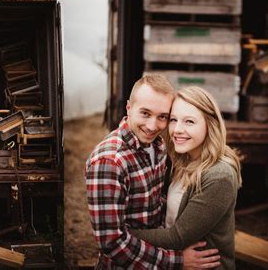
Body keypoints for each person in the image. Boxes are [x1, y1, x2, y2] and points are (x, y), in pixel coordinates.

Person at [85, 74, 221, 269]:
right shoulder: (110, 161)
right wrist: (177, 261)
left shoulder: (158, 146)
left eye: (162, 117)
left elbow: (155, 204)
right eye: (145, 113)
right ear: (129, 108)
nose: (152, 126)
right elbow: (112, 243)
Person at [130, 86, 242, 269]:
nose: (177, 130)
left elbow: (178, 237)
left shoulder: (219, 175)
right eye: (173, 120)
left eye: (189, 121)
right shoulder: (184, 160)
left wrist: (121, 235)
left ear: (210, 124)